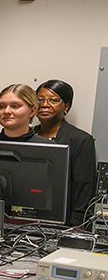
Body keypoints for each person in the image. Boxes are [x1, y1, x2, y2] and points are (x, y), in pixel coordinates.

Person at [35, 79, 98, 225]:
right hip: (27, 219)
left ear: (66, 107)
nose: (44, 105)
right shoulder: (28, 136)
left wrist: (75, 228)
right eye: (40, 100)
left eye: (53, 100)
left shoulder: (81, 140)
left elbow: (83, 191)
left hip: (65, 223)